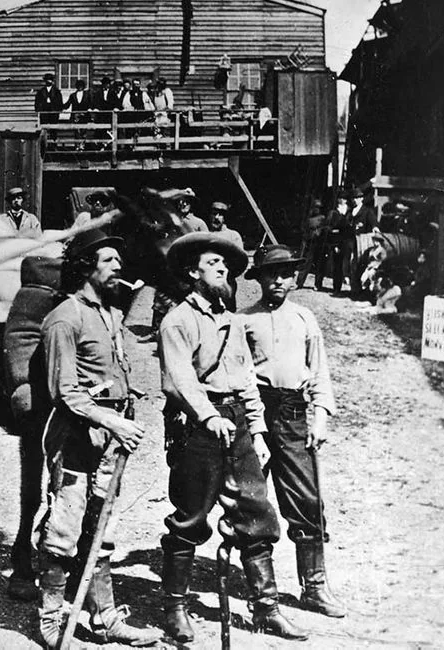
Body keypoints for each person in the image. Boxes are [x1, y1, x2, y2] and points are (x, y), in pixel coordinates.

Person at [158, 232, 307, 643]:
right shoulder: (178, 321)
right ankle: (175, 609)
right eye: (212, 263)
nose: (223, 269)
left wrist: (257, 429)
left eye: (226, 264)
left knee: (255, 511)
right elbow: (179, 380)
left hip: (237, 423)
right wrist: (207, 416)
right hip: (197, 425)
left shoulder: (232, 320)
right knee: (190, 516)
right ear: (192, 272)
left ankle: (266, 608)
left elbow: (246, 379)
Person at [36, 229, 159, 648]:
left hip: (110, 439)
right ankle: (51, 619)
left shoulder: (110, 314)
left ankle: (105, 618)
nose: (119, 267)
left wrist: (126, 404)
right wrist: (113, 420)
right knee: (65, 529)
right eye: (109, 261)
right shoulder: (65, 317)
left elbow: (110, 372)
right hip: (75, 436)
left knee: (102, 528)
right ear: (86, 267)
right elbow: (64, 392)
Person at [241, 245, 348, 619]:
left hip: (293, 412)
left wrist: (320, 417)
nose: (279, 280)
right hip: (254, 408)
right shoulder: (243, 321)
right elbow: (238, 375)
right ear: (259, 279)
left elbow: (318, 372)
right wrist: (253, 427)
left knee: (308, 497)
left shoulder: (304, 318)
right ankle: (263, 594)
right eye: (271, 274)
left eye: (286, 273)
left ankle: (315, 587)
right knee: (250, 498)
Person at [317, 194, 351, 294]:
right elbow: (328, 227)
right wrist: (334, 239)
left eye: (345, 199)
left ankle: (340, 286)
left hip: (346, 242)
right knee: (335, 265)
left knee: (343, 265)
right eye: (341, 199)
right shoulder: (333, 213)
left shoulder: (349, 212)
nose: (343, 201)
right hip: (335, 242)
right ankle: (333, 287)